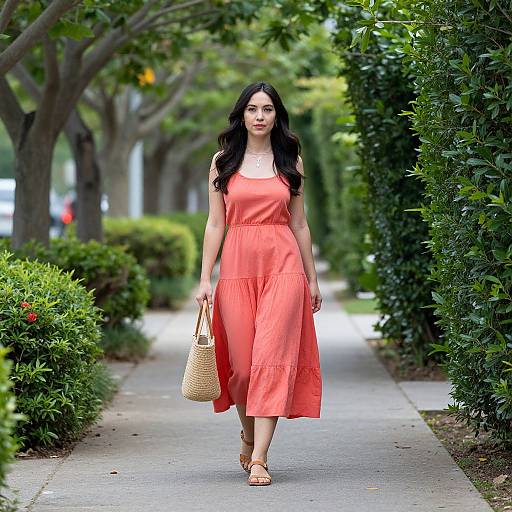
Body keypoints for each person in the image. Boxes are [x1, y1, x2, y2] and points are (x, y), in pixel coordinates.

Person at [195, 81, 322, 486]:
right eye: (253, 109)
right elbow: (215, 223)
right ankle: (248, 435)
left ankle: (260, 459)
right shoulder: (223, 162)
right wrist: (203, 279)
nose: (260, 116)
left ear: (277, 115)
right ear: (242, 115)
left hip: (283, 266)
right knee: (243, 370)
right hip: (237, 268)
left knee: (270, 360)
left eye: (267, 109)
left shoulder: (291, 161)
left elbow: (300, 223)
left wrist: (312, 277)